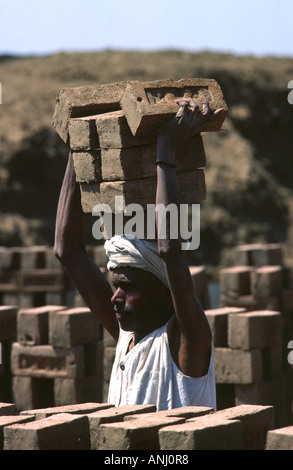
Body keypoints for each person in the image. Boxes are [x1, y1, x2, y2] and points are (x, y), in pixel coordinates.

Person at [54, 97, 223, 411]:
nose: (114, 297)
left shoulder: (185, 342)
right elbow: (67, 253)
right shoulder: (125, 336)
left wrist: (166, 151)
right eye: (118, 285)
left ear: (165, 292)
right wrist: (78, 150)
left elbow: (170, 250)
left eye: (128, 287)